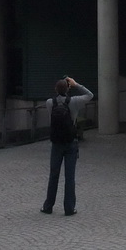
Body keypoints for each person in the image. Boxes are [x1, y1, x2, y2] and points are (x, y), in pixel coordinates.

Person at [41, 76, 93, 217]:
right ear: (68, 88)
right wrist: (76, 84)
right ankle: (69, 208)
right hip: (71, 143)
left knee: (54, 175)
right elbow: (90, 95)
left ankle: (48, 206)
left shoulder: (49, 103)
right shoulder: (74, 102)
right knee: (70, 177)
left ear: (55, 89)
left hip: (56, 143)